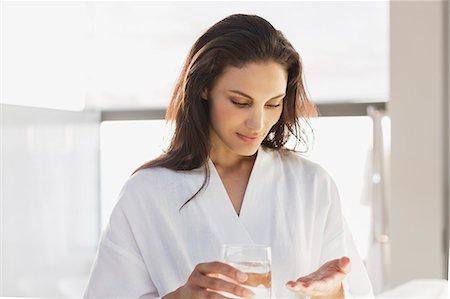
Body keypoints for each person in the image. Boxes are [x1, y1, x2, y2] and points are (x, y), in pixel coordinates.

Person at [83, 14, 374, 299]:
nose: (258, 123)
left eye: (273, 104)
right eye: (240, 102)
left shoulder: (311, 184)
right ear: (205, 88)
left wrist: (331, 293)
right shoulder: (146, 193)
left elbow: (356, 292)